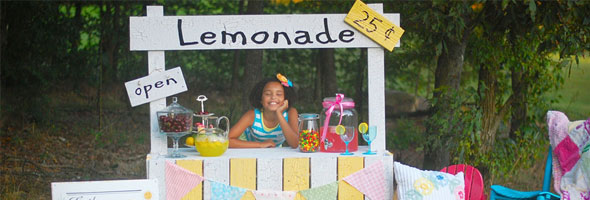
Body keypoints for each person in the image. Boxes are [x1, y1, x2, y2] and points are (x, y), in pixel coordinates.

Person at [228, 73, 299, 148]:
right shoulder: (252, 115)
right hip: (248, 150)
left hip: (273, 154)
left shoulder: (291, 113)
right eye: (268, 94)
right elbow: (228, 140)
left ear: (285, 99)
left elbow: (295, 143)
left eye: (279, 94)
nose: (273, 97)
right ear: (260, 99)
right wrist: (261, 145)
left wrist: (279, 114)